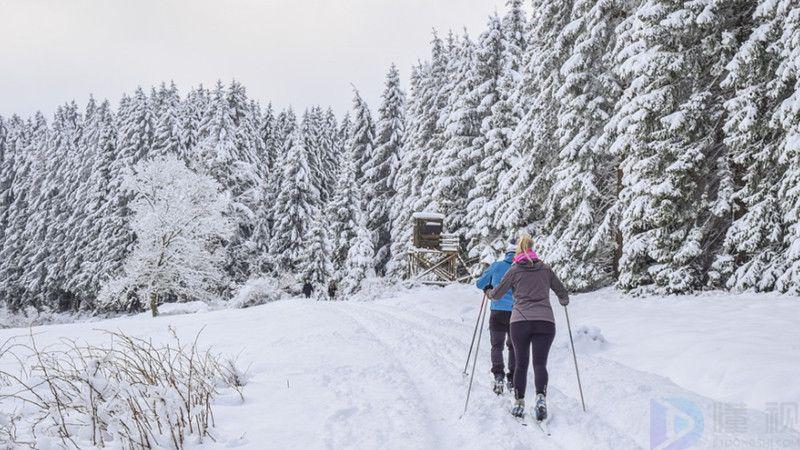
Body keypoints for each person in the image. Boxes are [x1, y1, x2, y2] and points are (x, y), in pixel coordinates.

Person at [488, 233, 569, 422]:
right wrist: (563, 300)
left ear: (518, 251)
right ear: (533, 249)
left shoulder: (515, 270)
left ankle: (519, 402)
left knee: (521, 364)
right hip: (545, 322)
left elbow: (498, 293)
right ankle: (540, 398)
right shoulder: (546, 269)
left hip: (520, 322)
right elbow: (562, 292)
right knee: (540, 364)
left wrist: (489, 292)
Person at [475, 242, 517, 395]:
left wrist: (487, 288)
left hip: (497, 312)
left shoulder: (497, 266)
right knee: (514, 346)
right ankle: (512, 378)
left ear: (506, 253)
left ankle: (498, 375)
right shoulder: (522, 268)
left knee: (496, 346)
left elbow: (480, 283)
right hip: (516, 313)